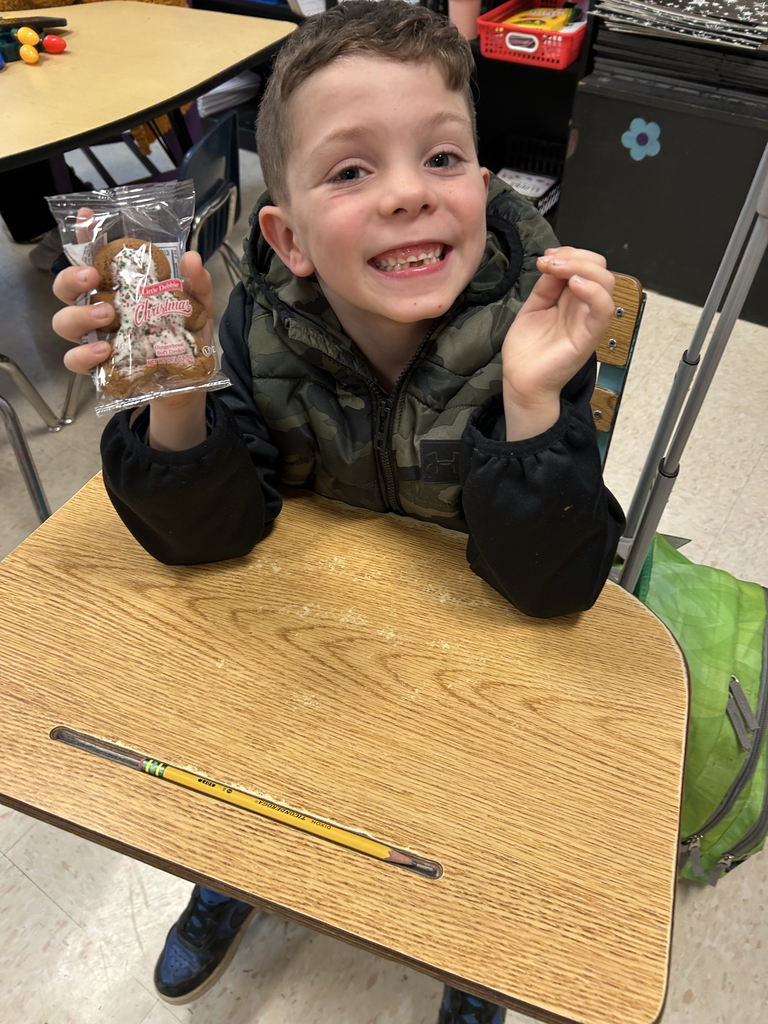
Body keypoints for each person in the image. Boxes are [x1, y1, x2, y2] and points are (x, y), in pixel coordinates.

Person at [51, 2, 623, 1020]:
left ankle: (469, 957)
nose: (409, 192)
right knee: (234, 727)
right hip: (306, 651)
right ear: (289, 235)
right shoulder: (255, 324)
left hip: (472, 676)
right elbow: (209, 542)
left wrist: (535, 405)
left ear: (482, 189)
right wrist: (177, 397)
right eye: (352, 171)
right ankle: (233, 865)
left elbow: (554, 587)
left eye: (441, 157)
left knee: (477, 808)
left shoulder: (526, 340)